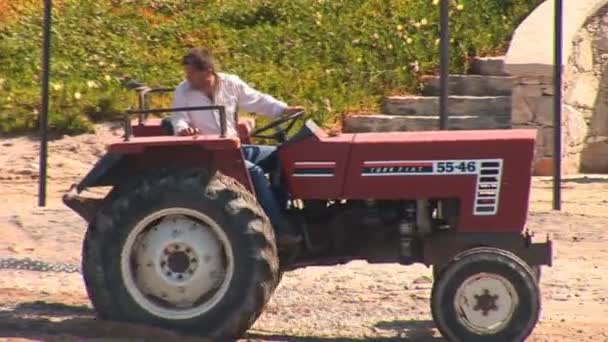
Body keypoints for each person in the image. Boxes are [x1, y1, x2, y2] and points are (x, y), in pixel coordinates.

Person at [170, 48, 302, 246]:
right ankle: (278, 227)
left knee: (282, 157)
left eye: (191, 74)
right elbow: (179, 117)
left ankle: (281, 209)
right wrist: (184, 129)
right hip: (209, 152)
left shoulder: (230, 83)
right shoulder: (184, 90)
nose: (187, 78)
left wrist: (282, 109)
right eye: (186, 74)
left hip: (234, 145)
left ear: (207, 71)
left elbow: (256, 100)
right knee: (255, 172)